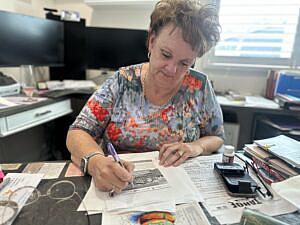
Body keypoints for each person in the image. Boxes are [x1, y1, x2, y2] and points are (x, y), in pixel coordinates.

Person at [66, 0, 224, 193]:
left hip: (177, 191)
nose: (172, 70)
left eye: (185, 63)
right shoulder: (122, 81)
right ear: (151, 41)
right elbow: (77, 132)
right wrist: (96, 162)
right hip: (117, 187)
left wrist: (195, 147)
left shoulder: (199, 87)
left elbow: (216, 137)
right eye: (166, 55)